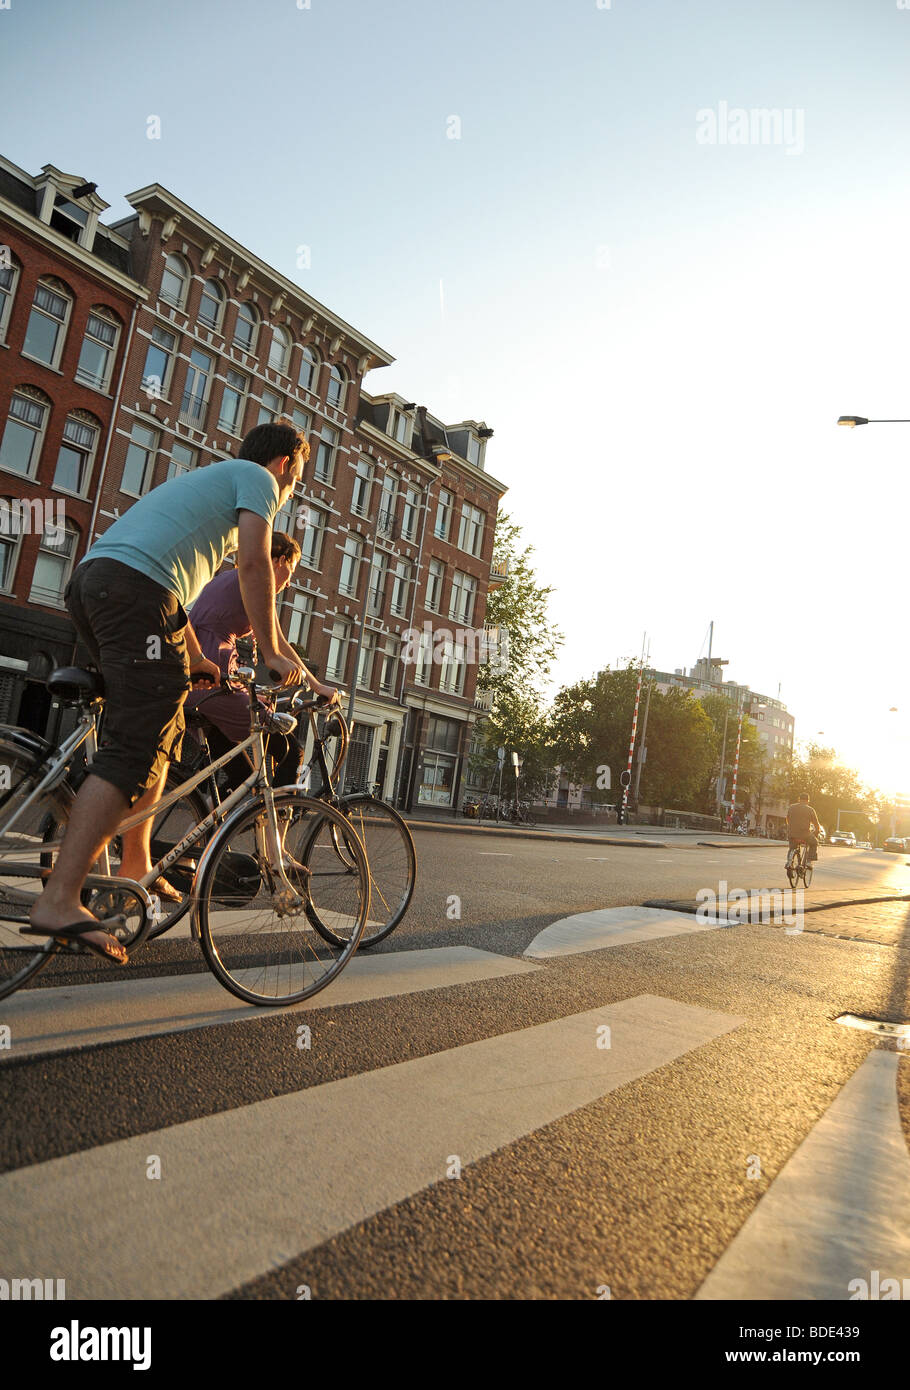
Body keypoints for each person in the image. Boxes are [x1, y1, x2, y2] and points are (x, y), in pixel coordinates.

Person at [24, 421, 309, 965]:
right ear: (284, 465)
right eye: (298, 478)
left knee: (166, 720)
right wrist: (272, 652)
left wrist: (197, 660)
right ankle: (59, 898)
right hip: (133, 590)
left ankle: (135, 870)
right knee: (134, 745)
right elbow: (254, 568)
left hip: (97, 583)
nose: (293, 491)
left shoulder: (212, 485)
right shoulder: (259, 481)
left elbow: (173, 585)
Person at [183, 530, 336, 790]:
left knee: (243, 774)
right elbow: (278, 646)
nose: (289, 583)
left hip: (198, 681)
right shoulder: (257, 585)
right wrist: (317, 687)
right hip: (214, 682)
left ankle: (206, 829)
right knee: (289, 750)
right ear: (279, 562)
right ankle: (274, 819)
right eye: (292, 570)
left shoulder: (233, 578)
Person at [787, 793, 820, 864]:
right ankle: (809, 861)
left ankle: (789, 862)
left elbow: (787, 819)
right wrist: (817, 831)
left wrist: (791, 827)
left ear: (799, 799)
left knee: (792, 847)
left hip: (791, 834)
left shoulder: (791, 807)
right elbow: (816, 823)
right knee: (814, 843)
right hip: (804, 834)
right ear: (808, 801)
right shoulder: (810, 810)